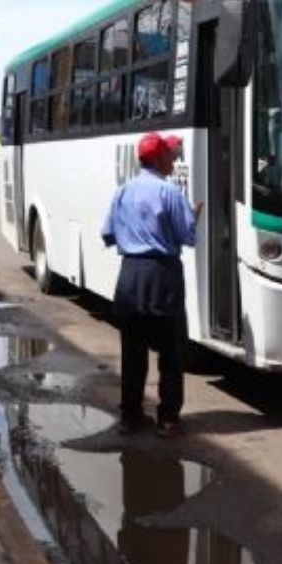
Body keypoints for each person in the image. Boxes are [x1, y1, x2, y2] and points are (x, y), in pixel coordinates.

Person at [100, 132, 202, 438]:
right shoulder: (170, 192)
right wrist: (193, 218)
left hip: (130, 277)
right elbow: (188, 237)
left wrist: (136, 237)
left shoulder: (122, 191)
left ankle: (130, 418)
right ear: (158, 158)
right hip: (162, 276)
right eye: (170, 156)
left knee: (133, 353)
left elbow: (107, 234)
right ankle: (168, 419)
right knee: (170, 352)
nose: (174, 160)